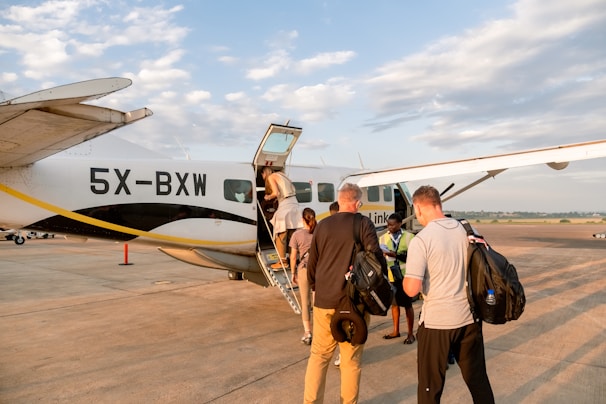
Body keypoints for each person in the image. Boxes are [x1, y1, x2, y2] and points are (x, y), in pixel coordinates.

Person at [403, 185, 494, 404]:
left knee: (429, 389)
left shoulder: (422, 240)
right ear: (439, 204)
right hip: (469, 319)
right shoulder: (468, 231)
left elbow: (412, 289)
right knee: (478, 382)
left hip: (437, 323)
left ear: (418, 208)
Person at [304, 183, 386, 404]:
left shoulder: (322, 225)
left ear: (339, 201)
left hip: (323, 302)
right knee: (350, 363)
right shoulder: (363, 224)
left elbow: (312, 264)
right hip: (353, 305)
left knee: (319, 357)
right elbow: (376, 261)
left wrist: (316, 288)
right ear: (357, 202)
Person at [379, 213, 415, 344]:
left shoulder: (409, 237)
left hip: (405, 276)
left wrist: (395, 254)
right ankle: (396, 331)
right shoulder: (382, 239)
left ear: (400, 224)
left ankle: (411, 333)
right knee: (394, 304)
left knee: (407, 305)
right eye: (388, 224)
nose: (389, 227)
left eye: (392, 224)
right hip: (391, 276)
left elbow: (413, 257)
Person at [262, 166, 301, 269]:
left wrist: (268, 197)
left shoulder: (271, 177)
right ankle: (295, 259)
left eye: (262, 175)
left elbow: (276, 193)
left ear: (264, 173)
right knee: (292, 235)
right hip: (294, 204)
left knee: (280, 235)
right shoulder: (283, 175)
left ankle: (282, 262)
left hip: (286, 206)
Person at [289, 208, 317, 345]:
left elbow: (293, 257)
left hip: (304, 270)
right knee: (318, 301)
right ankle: (320, 330)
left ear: (302, 219)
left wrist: (293, 273)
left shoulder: (297, 235)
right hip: (318, 270)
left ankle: (308, 332)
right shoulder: (319, 233)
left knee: (305, 303)